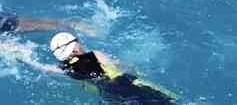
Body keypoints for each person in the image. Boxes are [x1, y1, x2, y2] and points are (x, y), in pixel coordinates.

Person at [48, 32, 178, 104]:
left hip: (109, 94)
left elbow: (45, 68)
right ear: (75, 48)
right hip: (126, 84)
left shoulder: (66, 70)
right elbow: (118, 67)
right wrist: (136, 69)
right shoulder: (96, 55)